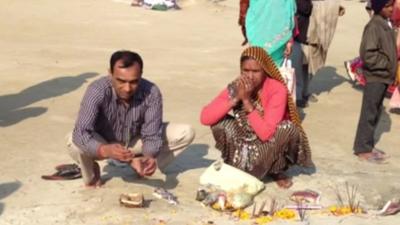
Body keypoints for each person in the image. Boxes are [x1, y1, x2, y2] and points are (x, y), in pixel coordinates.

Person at [67, 50, 195, 187]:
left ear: (141, 75)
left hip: (134, 141)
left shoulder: (151, 92)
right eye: (121, 81)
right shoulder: (96, 91)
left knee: (186, 132)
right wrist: (105, 150)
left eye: (134, 82)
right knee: (73, 141)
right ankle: (92, 174)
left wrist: (149, 157)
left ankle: (142, 166)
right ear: (110, 73)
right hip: (103, 142)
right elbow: (81, 133)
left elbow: (152, 134)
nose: (127, 88)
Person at [200, 47, 313, 189]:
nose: (250, 76)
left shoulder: (277, 89)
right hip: (244, 141)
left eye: (255, 71)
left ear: (265, 70)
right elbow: (205, 117)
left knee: (288, 129)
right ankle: (239, 165)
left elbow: (266, 134)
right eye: (245, 71)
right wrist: (234, 99)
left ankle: (276, 170)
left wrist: (247, 101)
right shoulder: (237, 86)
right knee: (219, 122)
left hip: (267, 143)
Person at [353, 0, 397, 163]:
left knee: (375, 111)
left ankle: (368, 145)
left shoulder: (385, 23)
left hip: (383, 76)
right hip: (376, 77)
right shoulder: (374, 26)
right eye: (387, 6)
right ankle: (362, 149)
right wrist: (386, 64)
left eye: (392, 5)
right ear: (379, 8)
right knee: (369, 113)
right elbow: (368, 54)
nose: (391, 8)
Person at [238, 0, 296, 66]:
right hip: (261, 32)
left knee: (263, 65)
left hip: (276, 38)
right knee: (259, 65)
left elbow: (289, 11)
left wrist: (289, 41)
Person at [291, 0, 313, 108]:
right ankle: (298, 95)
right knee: (297, 68)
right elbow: (305, 7)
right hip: (297, 37)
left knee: (308, 67)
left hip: (307, 34)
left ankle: (304, 92)